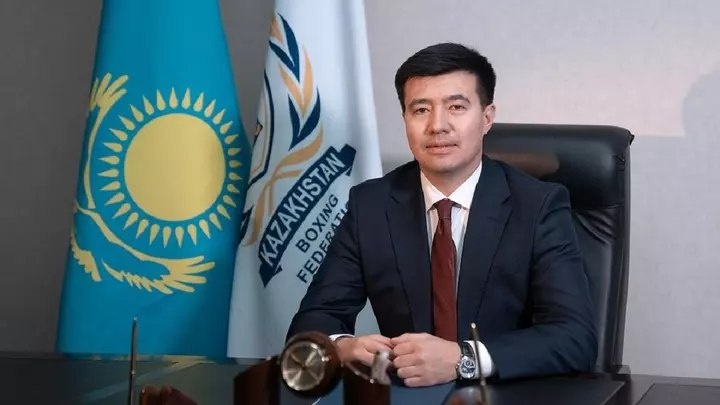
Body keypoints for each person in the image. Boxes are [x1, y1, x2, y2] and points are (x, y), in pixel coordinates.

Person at [287, 42, 597, 387]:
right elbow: (312, 322)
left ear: (487, 118)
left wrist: (464, 359)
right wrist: (344, 347)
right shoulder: (371, 205)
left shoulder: (537, 205)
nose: (437, 125)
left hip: (504, 394)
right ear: (405, 119)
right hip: (408, 394)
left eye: (456, 107)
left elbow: (575, 338)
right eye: (420, 110)